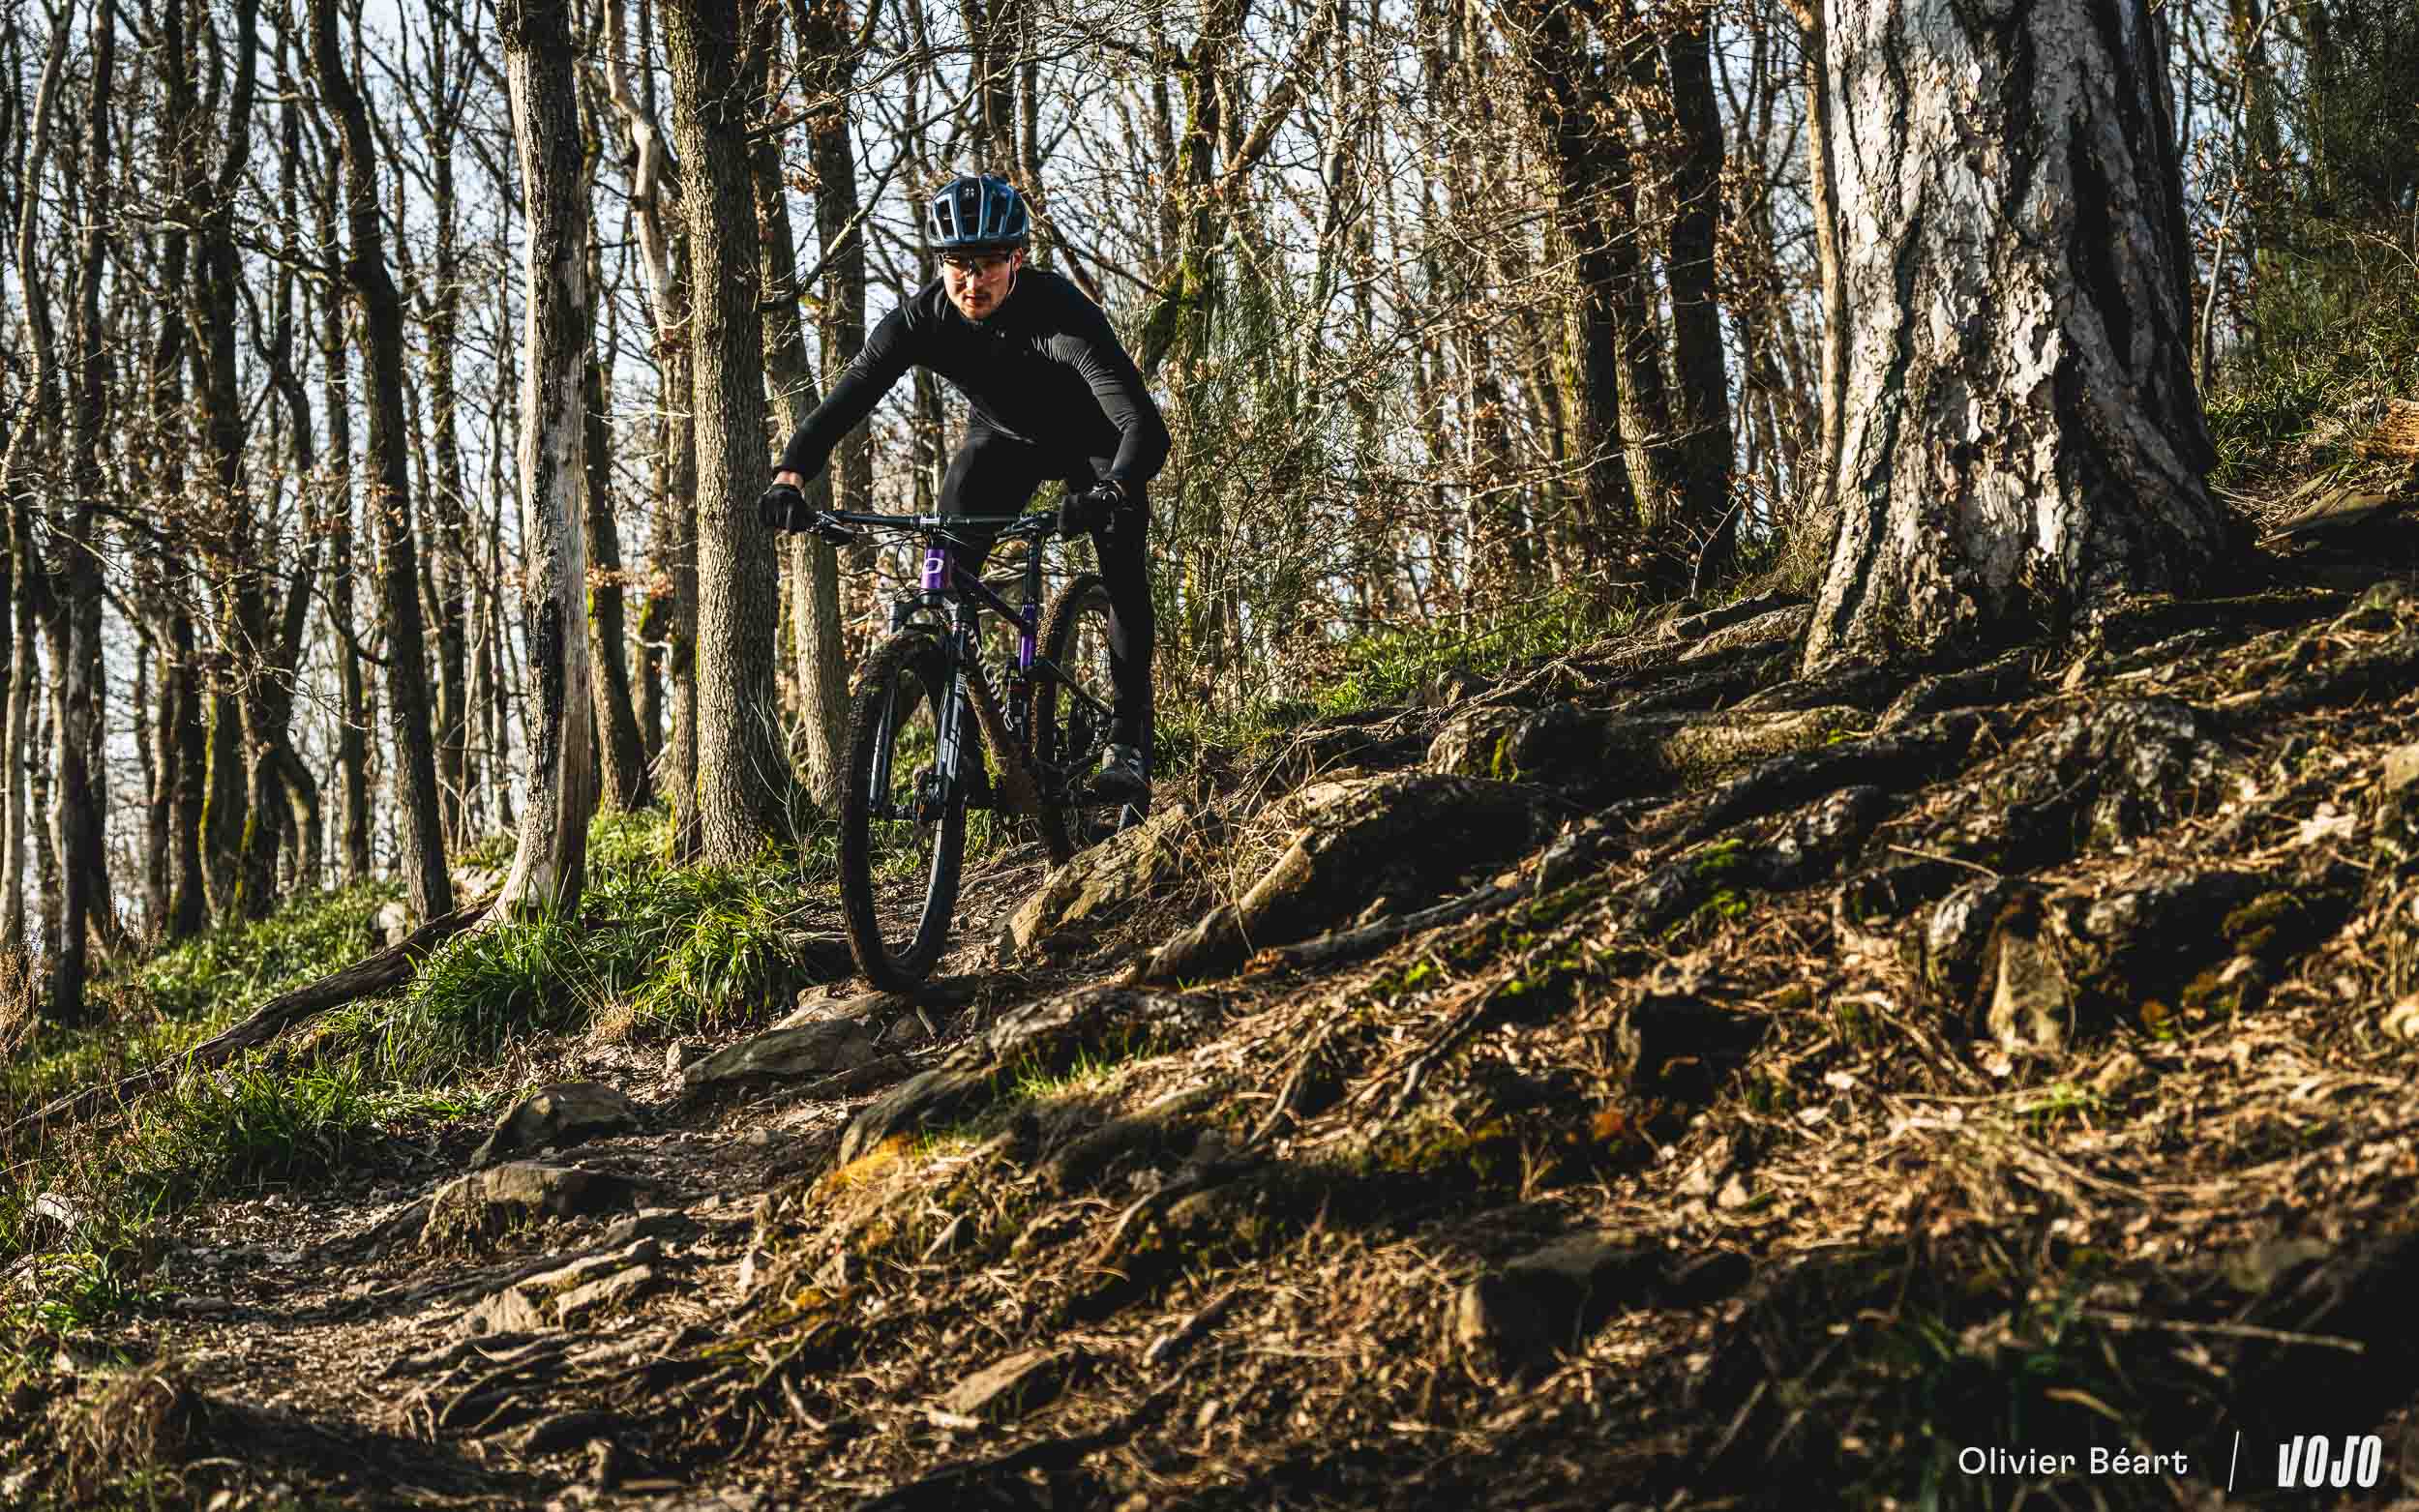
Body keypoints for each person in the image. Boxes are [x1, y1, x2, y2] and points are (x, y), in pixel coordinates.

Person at [758, 173, 1168, 810]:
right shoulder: (922, 319)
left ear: (1017, 259)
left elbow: (1143, 425)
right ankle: (966, 755)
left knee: (1122, 572)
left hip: (1095, 441)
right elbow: (848, 398)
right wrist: (790, 475)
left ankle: (1127, 739)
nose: (971, 282)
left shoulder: (1060, 314)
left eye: (987, 265)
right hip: (1003, 441)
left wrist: (1113, 489)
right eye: (957, 265)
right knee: (944, 577)